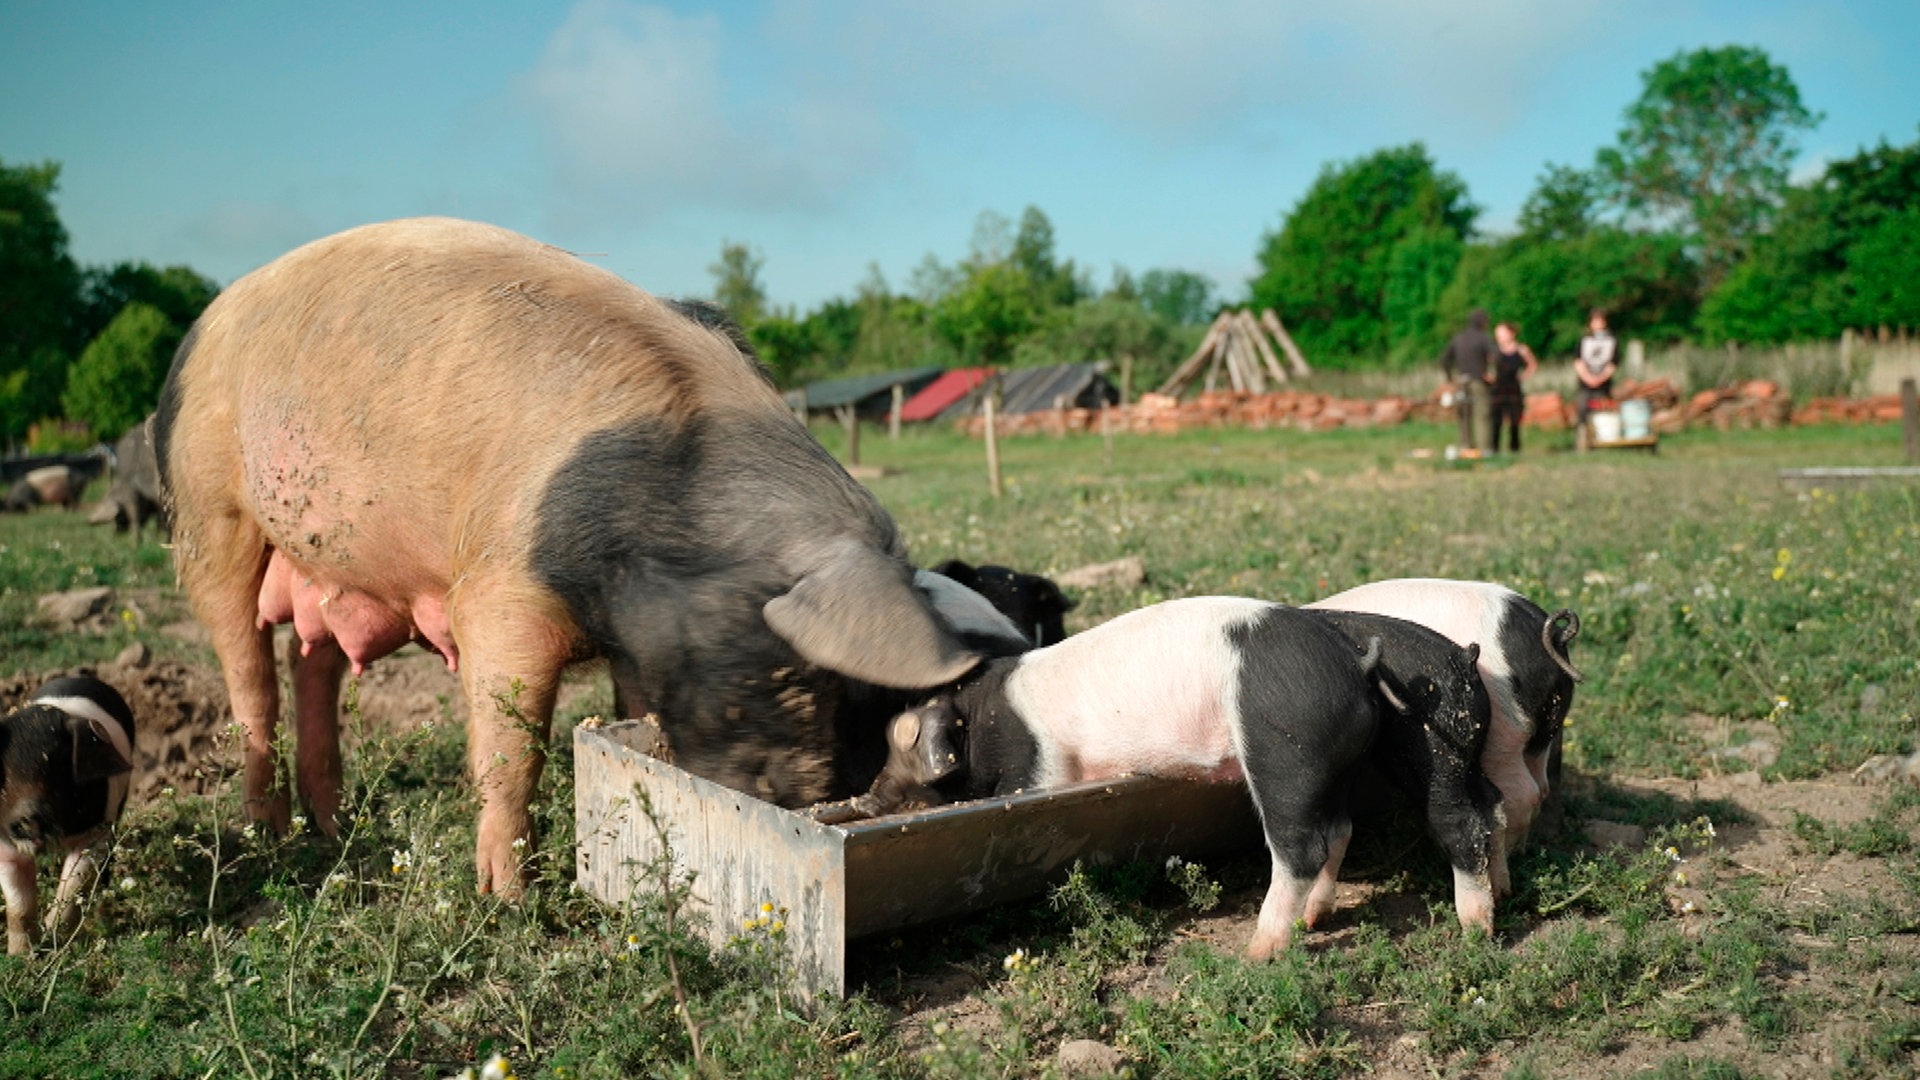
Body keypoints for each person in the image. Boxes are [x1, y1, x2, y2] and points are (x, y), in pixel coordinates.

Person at [1439, 309, 1497, 451]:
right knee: (1482, 415)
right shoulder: (1483, 338)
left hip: (1460, 382)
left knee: (1464, 416)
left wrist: (1449, 378)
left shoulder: (1458, 338)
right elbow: (1496, 356)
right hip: (1478, 382)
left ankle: (1466, 448)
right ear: (1482, 322)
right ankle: (1484, 450)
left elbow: (1444, 360)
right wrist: (1491, 373)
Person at [1490, 321, 1540, 453]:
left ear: (1511, 334)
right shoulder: (1494, 351)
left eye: (1502, 333)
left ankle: (1515, 449)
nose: (1499, 337)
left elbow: (1532, 364)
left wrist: (1524, 376)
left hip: (1514, 389)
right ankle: (1494, 449)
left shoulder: (1521, 349)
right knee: (1496, 421)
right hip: (1498, 389)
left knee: (1515, 421)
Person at [1575, 309, 1618, 424]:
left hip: (1603, 384)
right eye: (1595, 321)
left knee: (1602, 409)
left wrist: (1600, 379)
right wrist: (1588, 378)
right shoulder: (1583, 340)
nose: (1598, 323)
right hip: (1585, 383)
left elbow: (1612, 363)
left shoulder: (1612, 340)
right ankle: (1582, 436)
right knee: (1583, 409)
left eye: (1600, 320)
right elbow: (1578, 362)